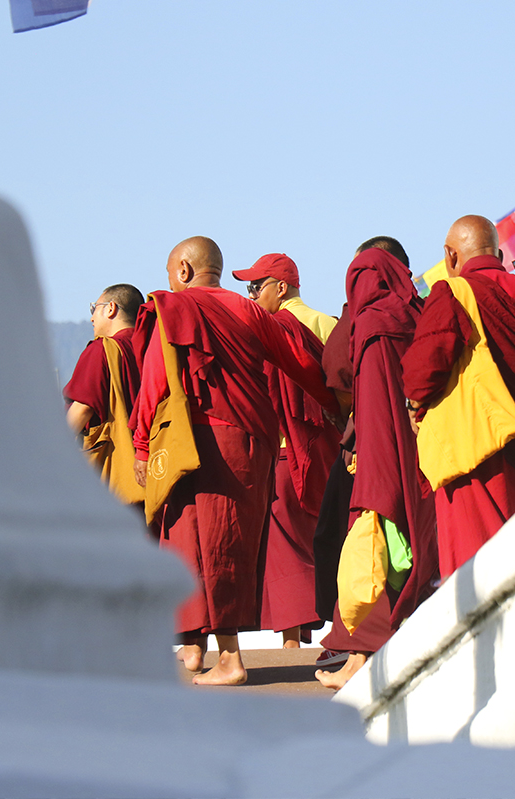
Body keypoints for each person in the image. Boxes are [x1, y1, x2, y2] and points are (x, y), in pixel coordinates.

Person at [132, 236, 340, 686]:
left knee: (196, 541)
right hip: (248, 442)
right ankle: (193, 647)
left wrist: (142, 446)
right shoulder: (250, 312)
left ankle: (229, 659)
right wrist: (337, 405)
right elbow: (299, 361)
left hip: (193, 440)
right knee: (216, 542)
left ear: (184, 270)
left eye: (172, 273)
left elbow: (154, 384)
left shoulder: (174, 309)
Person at [315, 237, 438, 690]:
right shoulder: (417, 310)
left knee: (374, 545)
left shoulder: (367, 321)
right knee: (410, 541)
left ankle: (361, 660)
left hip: (379, 448)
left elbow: (350, 384)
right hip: (423, 445)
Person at [402, 215, 515, 579]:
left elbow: (422, 370)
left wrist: (415, 406)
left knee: (482, 571)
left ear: (450, 255)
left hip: (480, 450)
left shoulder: (454, 291)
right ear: (496, 250)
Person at [232, 253, 339, 648]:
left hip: (281, 450)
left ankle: (292, 641)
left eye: (255, 287)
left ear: (280, 287)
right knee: (322, 536)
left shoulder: (263, 330)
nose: (252, 296)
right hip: (326, 449)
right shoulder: (327, 324)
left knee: (284, 544)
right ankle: (328, 628)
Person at [63, 284, 144, 502]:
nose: (91, 319)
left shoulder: (102, 350)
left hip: (113, 477)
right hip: (154, 469)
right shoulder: (152, 348)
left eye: (94, 309)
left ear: (110, 308)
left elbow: (81, 410)